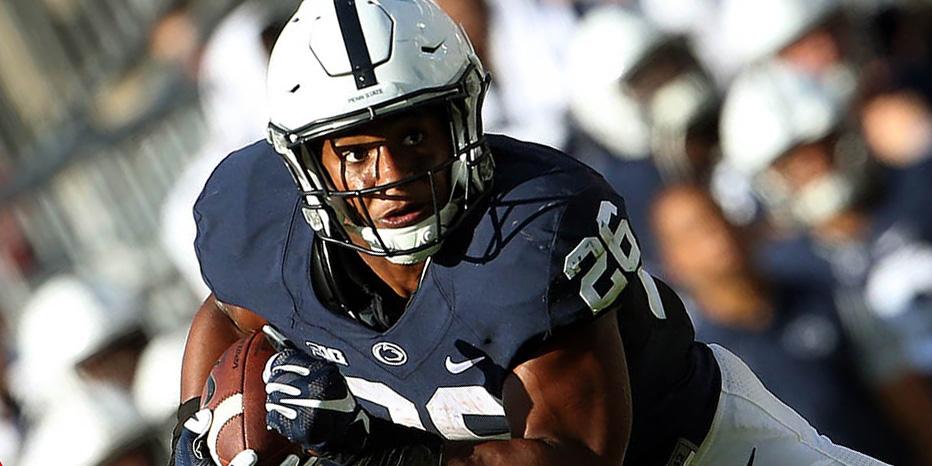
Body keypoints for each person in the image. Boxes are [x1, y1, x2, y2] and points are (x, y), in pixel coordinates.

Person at [171, 1, 889, 465]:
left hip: (700, 450)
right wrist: (197, 429)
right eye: (355, 153)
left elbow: (576, 456)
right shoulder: (261, 225)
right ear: (305, 163)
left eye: (413, 136)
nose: (389, 175)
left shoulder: (532, 228)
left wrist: (382, 455)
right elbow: (230, 314)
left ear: (461, 118)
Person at [651, 184, 912, 465]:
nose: (714, 231)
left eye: (716, 215)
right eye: (692, 230)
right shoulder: (704, 366)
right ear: (672, 262)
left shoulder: (824, 294)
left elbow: (904, 393)